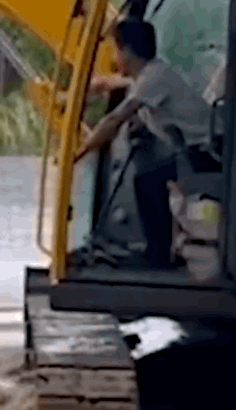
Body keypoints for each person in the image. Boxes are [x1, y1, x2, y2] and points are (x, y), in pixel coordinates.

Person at [74, 19, 213, 269]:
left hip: (207, 152)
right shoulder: (152, 74)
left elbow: (116, 117)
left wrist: (82, 151)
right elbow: (116, 85)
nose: (115, 58)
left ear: (126, 52)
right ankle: (160, 252)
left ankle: (158, 258)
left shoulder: (153, 78)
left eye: (116, 51)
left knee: (148, 180)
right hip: (192, 149)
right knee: (150, 177)